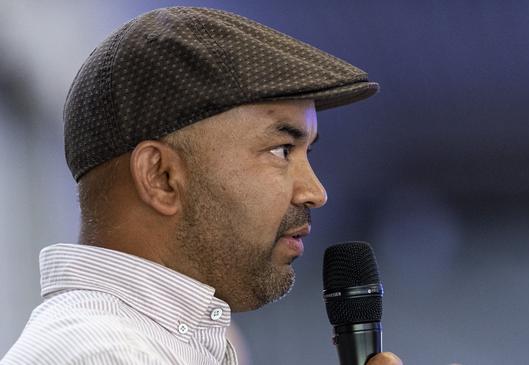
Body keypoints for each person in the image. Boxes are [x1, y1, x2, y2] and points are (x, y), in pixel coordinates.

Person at [1, 6, 401, 365]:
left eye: (307, 152)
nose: (315, 191)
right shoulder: (108, 355)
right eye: (281, 150)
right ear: (161, 177)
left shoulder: (162, 346)